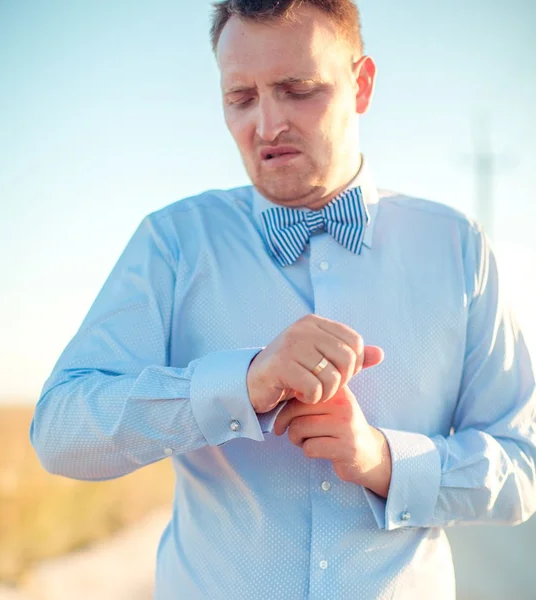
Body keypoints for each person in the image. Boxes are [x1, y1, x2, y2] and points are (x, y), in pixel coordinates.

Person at [30, 1, 536, 598]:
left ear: (362, 84)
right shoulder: (172, 244)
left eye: (298, 90)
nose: (267, 125)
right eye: (241, 97)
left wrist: (384, 460)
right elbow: (60, 431)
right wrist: (236, 385)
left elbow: (521, 469)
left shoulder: (457, 249)